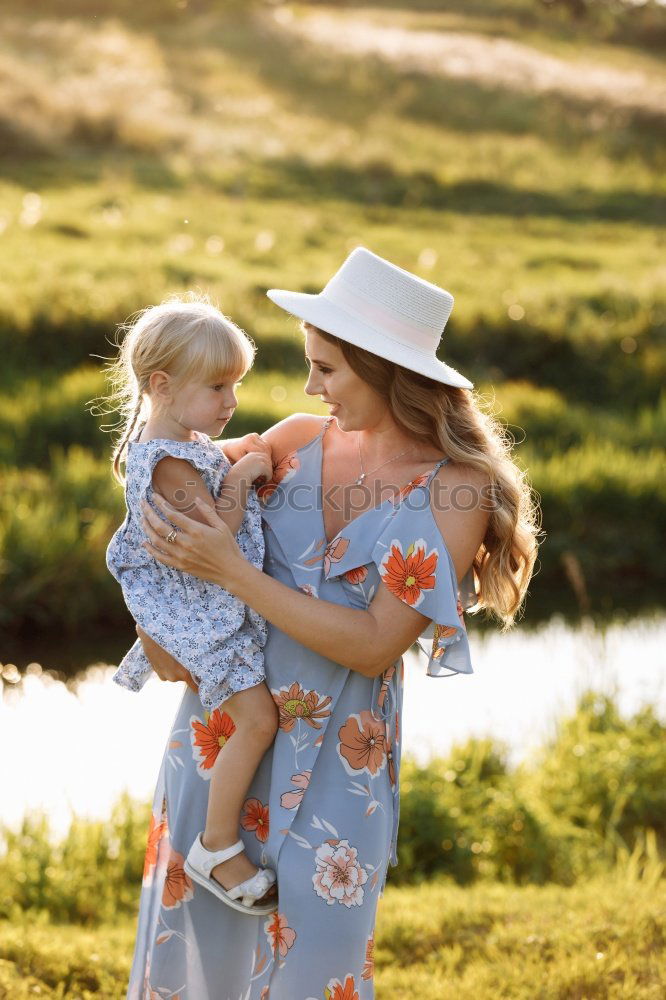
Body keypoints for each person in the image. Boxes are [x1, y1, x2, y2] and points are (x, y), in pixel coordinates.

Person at [129, 248, 540, 999]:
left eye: (329, 370)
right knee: (194, 972)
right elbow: (154, 504)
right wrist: (154, 630)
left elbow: (377, 642)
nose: (311, 387)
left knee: (316, 976)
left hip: (337, 771)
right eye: (312, 366)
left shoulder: (456, 490)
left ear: (387, 370)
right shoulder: (291, 442)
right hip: (221, 742)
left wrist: (235, 574)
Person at [105, 295, 280, 916]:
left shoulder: (178, 444)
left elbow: (198, 484)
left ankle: (219, 834)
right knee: (258, 721)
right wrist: (242, 474)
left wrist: (228, 454)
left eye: (236, 384)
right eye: (217, 386)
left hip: (206, 609)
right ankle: (216, 844)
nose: (230, 401)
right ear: (162, 385)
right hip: (207, 620)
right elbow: (218, 538)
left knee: (252, 720)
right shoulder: (170, 462)